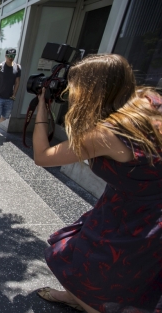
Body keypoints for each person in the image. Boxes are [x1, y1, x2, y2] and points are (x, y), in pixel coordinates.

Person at [32, 54, 162, 313]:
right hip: (133, 206)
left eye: (75, 87)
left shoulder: (107, 134)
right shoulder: (150, 100)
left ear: (91, 92)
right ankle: (72, 297)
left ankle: (85, 303)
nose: (70, 93)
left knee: (101, 275)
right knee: (88, 259)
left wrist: (41, 108)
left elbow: (42, 157)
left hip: (135, 220)